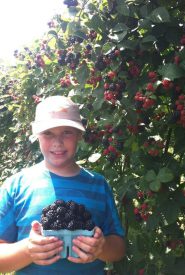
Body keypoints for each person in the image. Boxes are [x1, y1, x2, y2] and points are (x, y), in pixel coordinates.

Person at [0, 95, 125, 275]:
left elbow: (118, 249)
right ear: (37, 135)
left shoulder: (98, 185)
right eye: (48, 133)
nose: (57, 143)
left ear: (80, 135)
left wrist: (101, 247)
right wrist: (28, 249)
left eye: (67, 132)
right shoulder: (16, 186)